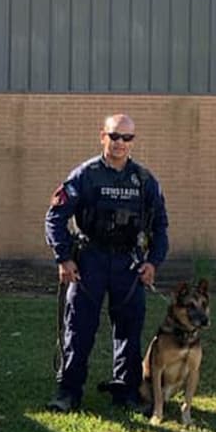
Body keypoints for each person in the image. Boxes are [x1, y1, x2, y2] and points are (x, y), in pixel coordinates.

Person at [44, 114, 169, 413]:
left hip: (128, 263)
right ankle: (69, 392)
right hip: (90, 261)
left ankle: (126, 391)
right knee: (79, 328)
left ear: (133, 142)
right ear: (103, 136)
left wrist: (153, 262)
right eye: (115, 136)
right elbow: (55, 218)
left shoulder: (144, 180)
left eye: (127, 138)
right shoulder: (84, 175)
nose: (120, 144)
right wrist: (64, 257)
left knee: (129, 329)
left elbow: (160, 226)